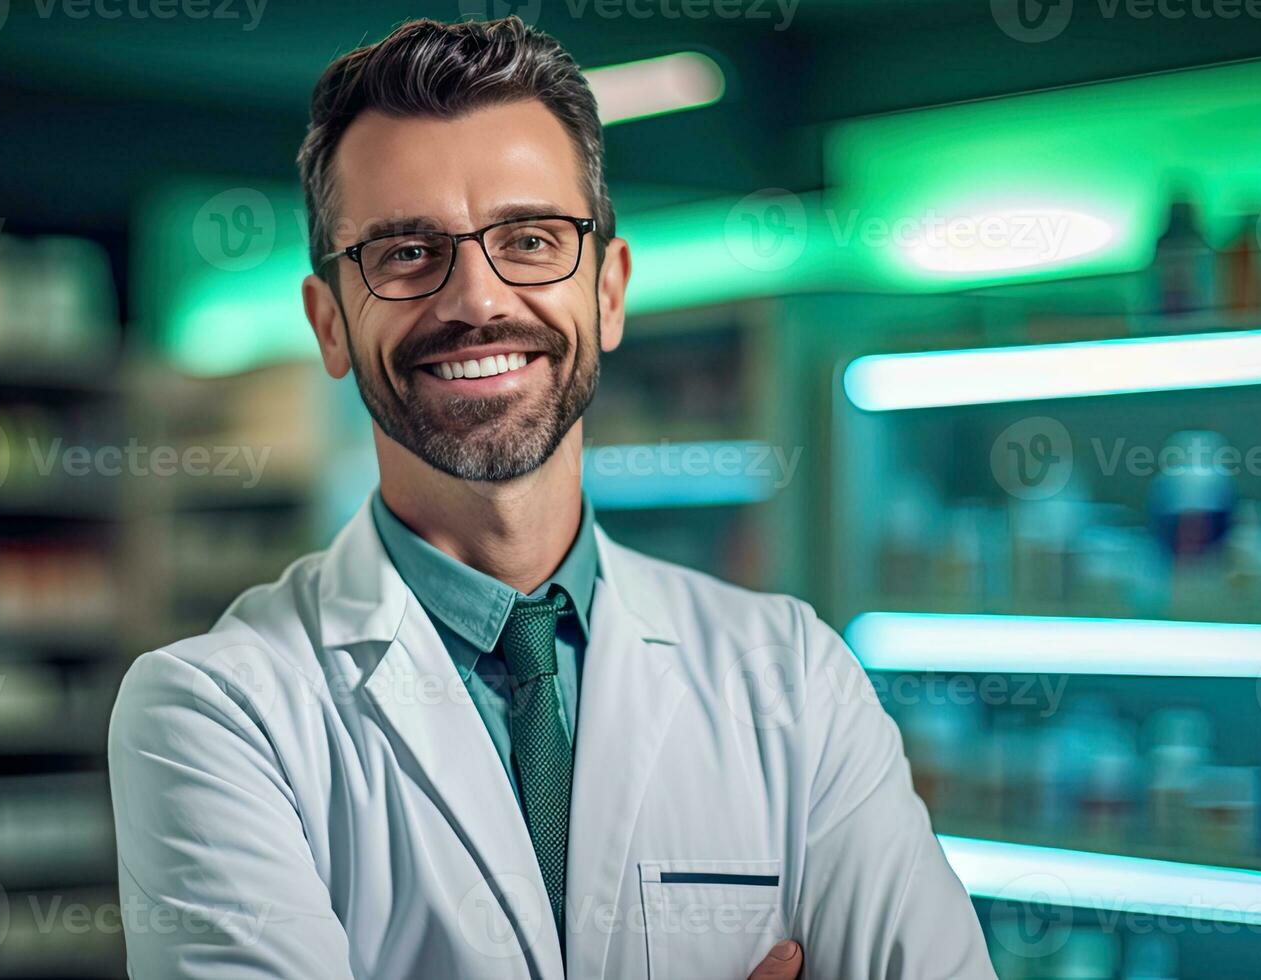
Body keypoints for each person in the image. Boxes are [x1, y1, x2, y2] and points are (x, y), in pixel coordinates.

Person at [109, 16, 996, 979]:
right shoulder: (216, 716)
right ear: (330, 324)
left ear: (608, 292)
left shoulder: (792, 679)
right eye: (406, 253)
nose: (477, 301)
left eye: (530, 239)